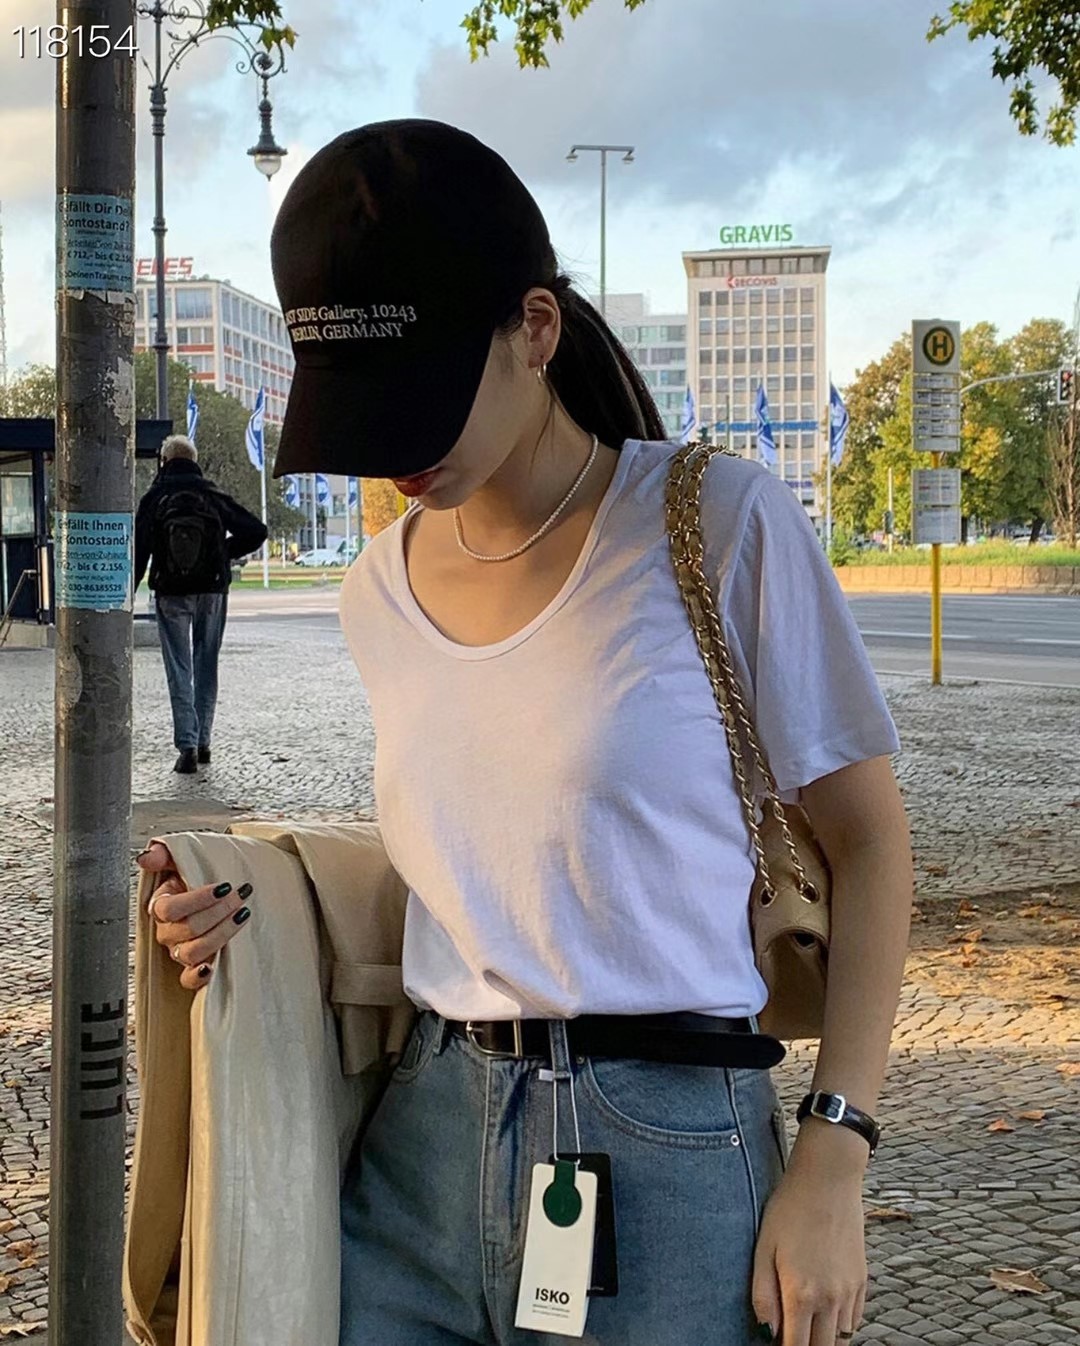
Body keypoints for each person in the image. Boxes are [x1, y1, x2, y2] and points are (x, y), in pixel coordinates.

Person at [138, 121, 914, 1345]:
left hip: (670, 1144)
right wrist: (242, 898)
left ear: (535, 329)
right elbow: (474, 855)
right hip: (422, 1144)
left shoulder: (719, 523)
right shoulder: (377, 588)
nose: (397, 451)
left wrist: (835, 1154)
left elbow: (871, 846)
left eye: (422, 398)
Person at [133, 433, 267, 774]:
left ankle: (187, 747)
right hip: (212, 589)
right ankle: (204, 740)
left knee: (179, 668)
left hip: (171, 592)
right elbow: (256, 530)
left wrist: (127, 593)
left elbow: (140, 551)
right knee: (207, 664)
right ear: (194, 461)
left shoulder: (155, 497)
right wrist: (222, 553)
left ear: (164, 461)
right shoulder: (212, 494)